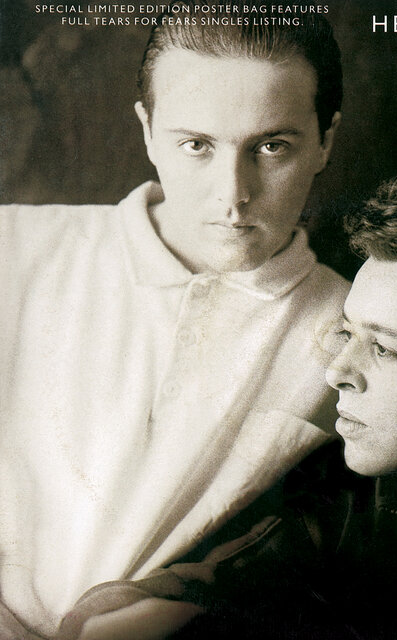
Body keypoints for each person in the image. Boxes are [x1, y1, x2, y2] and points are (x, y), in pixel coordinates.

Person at [58, 172, 397, 640]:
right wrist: (148, 609)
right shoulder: (346, 495)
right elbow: (209, 583)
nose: (337, 372)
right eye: (348, 334)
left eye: (386, 349)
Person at [0, 2, 349, 637]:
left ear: (325, 140)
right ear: (147, 131)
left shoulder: (357, 327)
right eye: (196, 145)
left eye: (272, 146)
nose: (232, 194)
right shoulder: (13, 247)